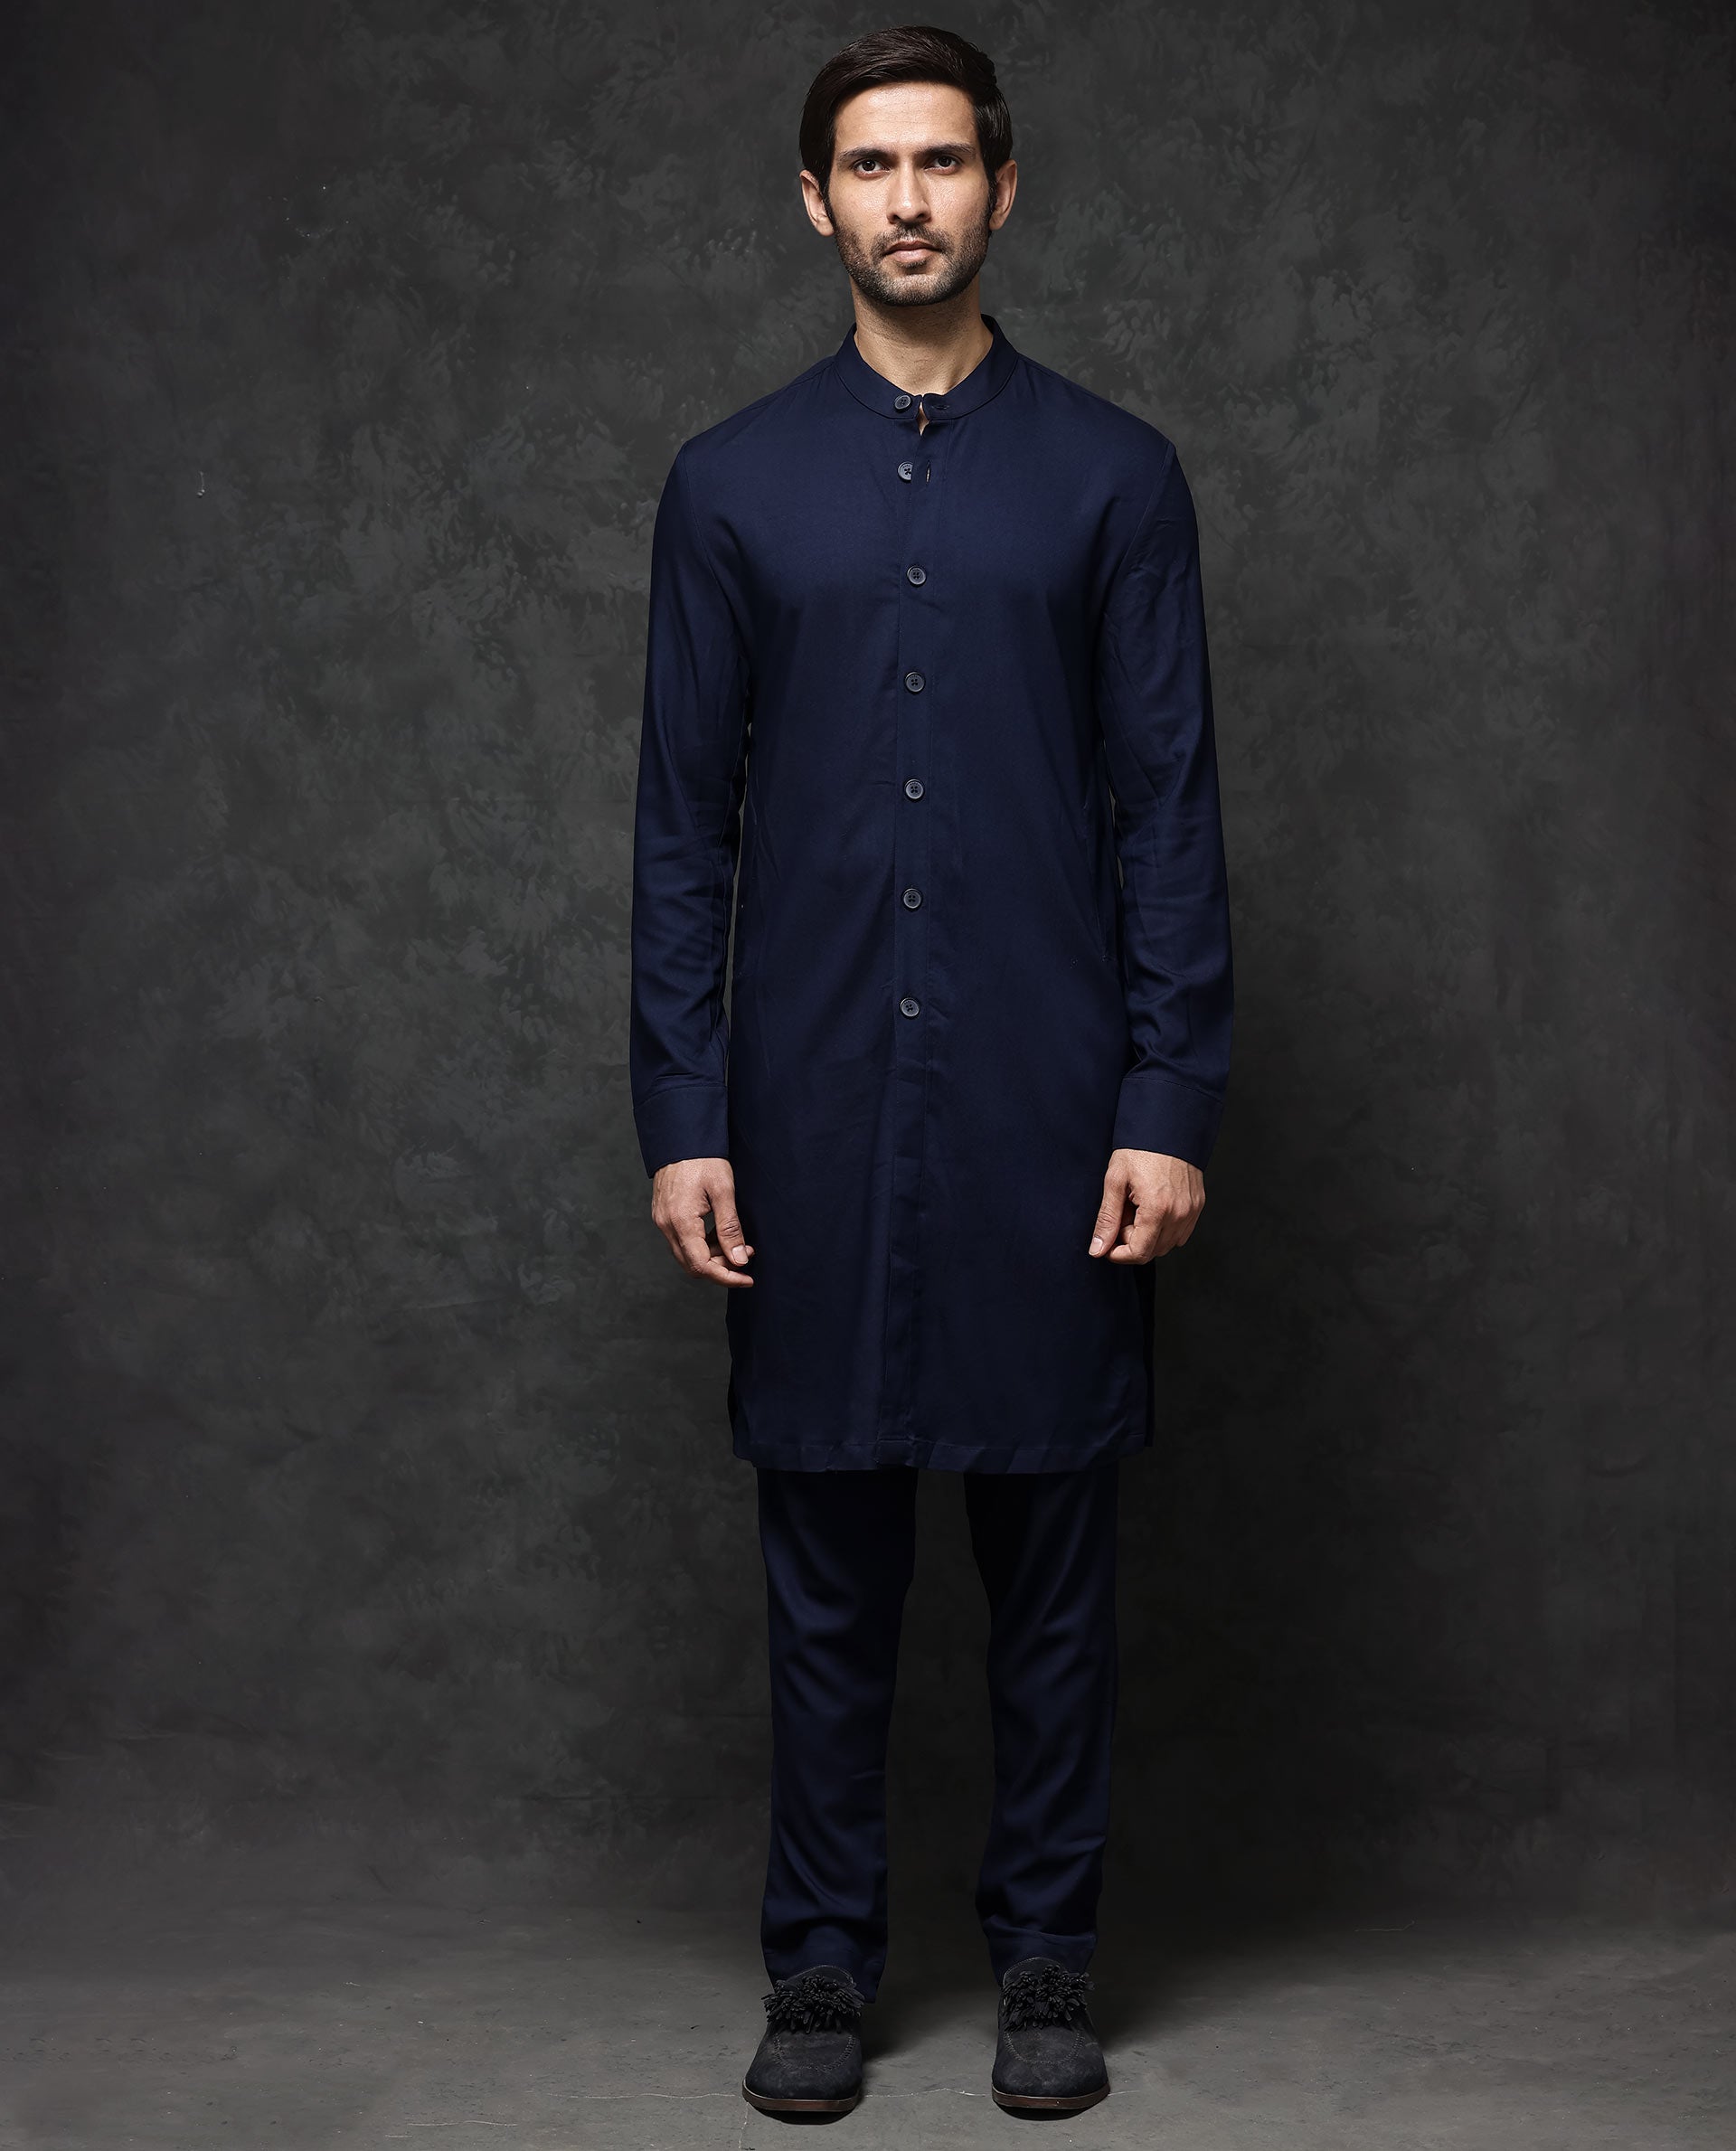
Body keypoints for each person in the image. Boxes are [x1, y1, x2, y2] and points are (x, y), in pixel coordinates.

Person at [628, 21, 1233, 2119]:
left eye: (944, 161)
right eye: (872, 166)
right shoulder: (728, 485)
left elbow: (1169, 809)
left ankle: (1049, 1957)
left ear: (1003, 189)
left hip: (1051, 1105)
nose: (909, 199)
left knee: (1054, 1570)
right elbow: (680, 828)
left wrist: (1166, 1096)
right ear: (816, 201)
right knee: (825, 1576)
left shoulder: (1116, 477)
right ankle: (819, 1970)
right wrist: (684, 1114)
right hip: (802, 1104)